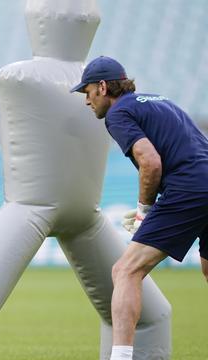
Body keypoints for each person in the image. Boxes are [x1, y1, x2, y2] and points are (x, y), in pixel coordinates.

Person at [71, 55, 208, 360]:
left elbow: (150, 161)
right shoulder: (160, 100)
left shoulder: (118, 114)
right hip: (202, 179)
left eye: (87, 91)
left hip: (189, 187)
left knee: (125, 270)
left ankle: (120, 358)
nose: (86, 100)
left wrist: (145, 209)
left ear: (103, 87)